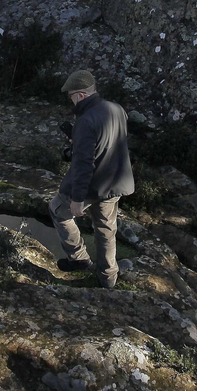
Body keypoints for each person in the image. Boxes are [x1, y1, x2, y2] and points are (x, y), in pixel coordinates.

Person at [51, 69, 134, 288]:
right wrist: (78, 140)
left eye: (71, 96)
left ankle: (78, 258)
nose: (70, 100)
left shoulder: (85, 120)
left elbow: (83, 164)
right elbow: (110, 141)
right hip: (115, 182)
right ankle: (108, 277)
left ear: (80, 95)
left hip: (92, 185)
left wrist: (77, 198)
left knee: (58, 210)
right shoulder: (117, 109)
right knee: (106, 229)